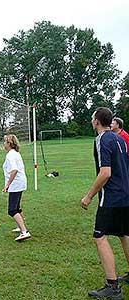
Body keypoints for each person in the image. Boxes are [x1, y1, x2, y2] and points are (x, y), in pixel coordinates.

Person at [81, 107, 129, 299]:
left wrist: (89, 196)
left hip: (112, 197)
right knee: (125, 234)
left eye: (92, 118)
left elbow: (106, 172)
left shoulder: (102, 139)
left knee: (100, 238)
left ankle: (113, 286)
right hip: (126, 195)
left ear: (97, 121)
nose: (92, 121)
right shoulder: (120, 139)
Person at [2, 134, 31, 241]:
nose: (4, 144)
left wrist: (7, 185)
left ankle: (24, 231)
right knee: (17, 207)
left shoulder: (10, 155)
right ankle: (20, 227)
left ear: (9, 144)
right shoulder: (15, 153)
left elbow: (14, 170)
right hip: (20, 183)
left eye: (5, 142)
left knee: (12, 210)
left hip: (16, 184)